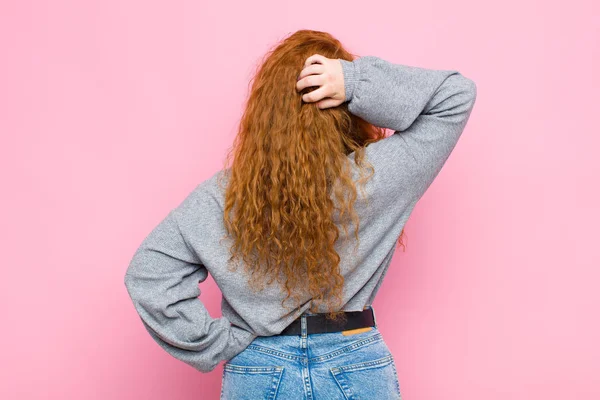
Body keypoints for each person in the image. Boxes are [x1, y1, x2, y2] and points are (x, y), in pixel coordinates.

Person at [124, 29, 477, 399]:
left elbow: (149, 274)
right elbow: (455, 96)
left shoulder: (221, 198)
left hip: (257, 366)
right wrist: (353, 81)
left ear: (265, 114)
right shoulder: (375, 177)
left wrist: (216, 343)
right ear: (343, 112)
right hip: (354, 362)